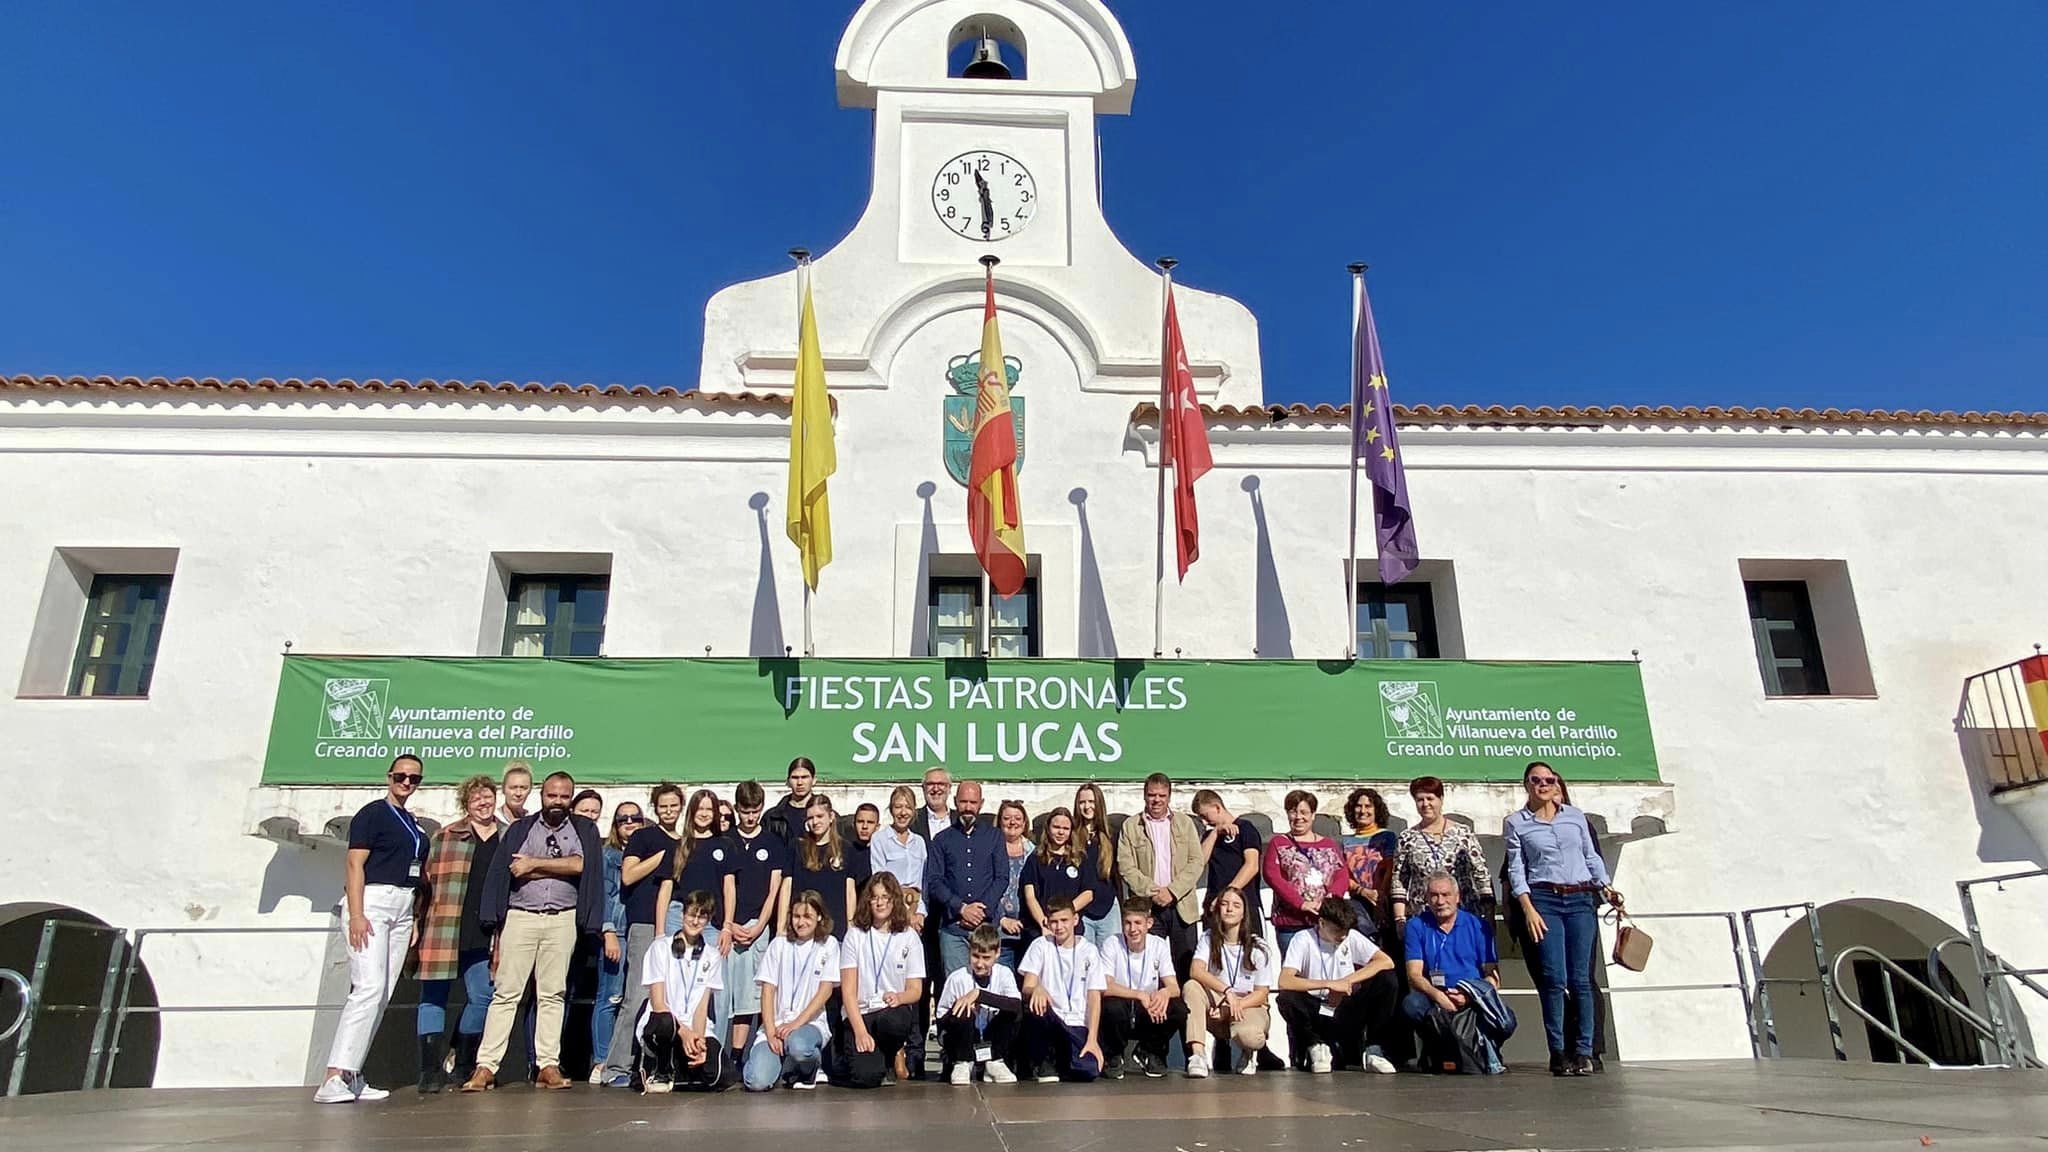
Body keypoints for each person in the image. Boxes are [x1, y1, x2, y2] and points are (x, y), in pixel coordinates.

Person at [465, 770, 605, 1092]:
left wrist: (533, 865)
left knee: (552, 994)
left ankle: (548, 1064)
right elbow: (507, 870)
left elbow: (581, 865)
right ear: (541, 796)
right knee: (506, 994)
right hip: (521, 917)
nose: (557, 802)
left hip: (562, 918)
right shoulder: (520, 830)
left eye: (564, 796)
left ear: (571, 798)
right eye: (551, 795)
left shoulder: (583, 829)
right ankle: (486, 1066)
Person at [315, 754, 429, 1103]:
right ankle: (332, 1077)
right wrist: (357, 913)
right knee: (368, 987)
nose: (406, 783)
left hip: (403, 905)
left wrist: (415, 919)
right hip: (373, 902)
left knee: (382, 995)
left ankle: (352, 1072)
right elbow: (354, 863)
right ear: (389, 777)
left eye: (414, 779)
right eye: (401, 776)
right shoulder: (372, 814)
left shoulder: (413, 823)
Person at [1503, 761, 1623, 1077]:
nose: (1543, 784)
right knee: (1553, 979)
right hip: (1544, 898)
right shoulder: (1517, 823)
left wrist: (1606, 886)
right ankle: (1557, 1051)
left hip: (1581, 896)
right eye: (1536, 780)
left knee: (1581, 979)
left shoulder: (1575, 817)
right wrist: (1527, 908)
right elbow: (1517, 869)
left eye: (1548, 779)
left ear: (1557, 783)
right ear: (1527, 784)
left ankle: (1584, 1052)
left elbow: (1590, 855)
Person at [413, 773, 501, 1094]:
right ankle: (429, 1069)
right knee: (434, 997)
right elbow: (424, 884)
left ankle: (463, 1062)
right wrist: (415, 922)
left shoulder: (506, 837)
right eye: (476, 797)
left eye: (488, 796)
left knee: (483, 996)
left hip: (485, 930)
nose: (483, 802)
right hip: (444, 926)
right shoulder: (446, 836)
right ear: (466, 803)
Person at [601, 783, 684, 1086]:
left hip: (676, 924)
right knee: (636, 995)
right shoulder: (644, 836)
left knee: (669, 999)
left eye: (674, 805)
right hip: (645, 924)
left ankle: (659, 1066)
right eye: (663, 806)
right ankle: (616, 1068)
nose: (669, 811)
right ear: (655, 808)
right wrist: (662, 857)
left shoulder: (687, 840)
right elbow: (628, 874)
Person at [1402, 871, 1512, 1075]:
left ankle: (1482, 1052)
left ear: (1457, 897)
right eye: (1434, 895)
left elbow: (1492, 976)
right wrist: (1439, 997)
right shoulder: (1416, 926)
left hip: (1471, 996)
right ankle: (1438, 1052)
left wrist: (1468, 996)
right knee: (1412, 1005)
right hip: (1435, 997)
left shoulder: (1479, 926)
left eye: (1445, 895)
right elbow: (1414, 975)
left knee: (1507, 1021)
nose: (1440, 901)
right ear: (1427, 898)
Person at [1276, 899, 1399, 1074]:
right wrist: (1329, 985)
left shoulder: (1351, 937)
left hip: (1345, 1007)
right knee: (1287, 997)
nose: (1342, 936)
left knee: (1387, 980)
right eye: (1337, 931)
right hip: (1317, 1007)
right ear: (1322, 923)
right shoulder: (1303, 939)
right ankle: (1316, 1045)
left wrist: (1348, 981)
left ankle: (1374, 1048)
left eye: (1345, 932)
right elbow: (1285, 980)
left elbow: (1385, 962)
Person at [635, 889, 736, 1093]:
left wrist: (697, 1040)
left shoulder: (712, 956)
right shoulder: (660, 948)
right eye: (692, 914)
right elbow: (658, 1002)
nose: (695, 921)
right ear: (683, 915)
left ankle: (682, 1070)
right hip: (667, 1023)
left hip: (693, 1028)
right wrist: (685, 1033)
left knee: (724, 1074)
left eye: (702, 916)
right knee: (665, 1022)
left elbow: (701, 1007)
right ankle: (660, 1069)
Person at [719, 780, 791, 1060]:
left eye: (755, 811)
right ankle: (719, 1051)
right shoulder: (726, 840)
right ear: (736, 808)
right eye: (745, 811)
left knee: (751, 993)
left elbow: (775, 888)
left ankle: (738, 1053)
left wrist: (761, 924)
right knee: (725, 992)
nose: (750, 817)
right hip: (729, 926)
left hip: (757, 927)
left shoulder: (772, 842)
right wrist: (729, 924)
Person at [743, 889, 841, 1092]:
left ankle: (809, 1070)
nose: (801, 922)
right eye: (797, 916)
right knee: (756, 1082)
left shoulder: (828, 945)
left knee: (799, 1047)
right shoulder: (779, 945)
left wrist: (796, 1023)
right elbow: (768, 991)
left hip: (809, 1023)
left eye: (807, 917)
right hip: (777, 1025)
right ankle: (781, 1066)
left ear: (819, 917)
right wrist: (770, 1032)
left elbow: (825, 991)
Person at [838, 873, 926, 1089]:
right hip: (861, 1014)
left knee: (894, 1022)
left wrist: (899, 997)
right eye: (875, 897)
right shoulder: (855, 935)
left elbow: (915, 990)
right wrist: (860, 1032)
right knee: (866, 1077)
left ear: (894, 900)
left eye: (885, 897)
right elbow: (848, 992)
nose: (879, 903)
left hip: (890, 1010)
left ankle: (893, 1051)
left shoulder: (908, 936)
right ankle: (868, 1057)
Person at [1115, 773, 1204, 980]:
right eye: (1151, 795)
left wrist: (1172, 891)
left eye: (1161, 795)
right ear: (1144, 796)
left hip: (1181, 905)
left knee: (1185, 965)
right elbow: (1126, 866)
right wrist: (1154, 891)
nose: (1156, 800)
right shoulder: (1131, 826)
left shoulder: (1184, 823)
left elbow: (1196, 861)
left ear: (1169, 797)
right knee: (1147, 967)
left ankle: (1186, 1010)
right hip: (1148, 906)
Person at [1183, 887, 1275, 1078]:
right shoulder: (1208, 938)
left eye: (1236, 905)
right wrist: (1227, 992)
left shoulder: (1258, 946)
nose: (1229, 909)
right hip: (1220, 1000)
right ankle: (1198, 1055)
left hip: (1248, 1004)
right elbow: (1196, 970)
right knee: (1191, 987)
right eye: (1224, 904)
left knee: (1251, 1036)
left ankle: (1248, 1053)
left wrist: (1235, 1004)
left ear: (1243, 913)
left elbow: (1262, 993)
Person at [871, 785, 931, 1077]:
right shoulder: (880, 839)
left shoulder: (920, 843)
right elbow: (880, 880)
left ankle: (912, 1050)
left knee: (913, 986)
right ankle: (891, 1048)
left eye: (908, 806)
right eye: (897, 806)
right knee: (888, 983)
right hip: (890, 915)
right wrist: (904, 907)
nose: (903, 812)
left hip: (914, 918)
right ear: (890, 810)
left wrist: (919, 913)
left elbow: (923, 883)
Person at [1017, 896, 1106, 1083]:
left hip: (1077, 1022)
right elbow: (1027, 986)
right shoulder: (1041, 945)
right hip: (1052, 1017)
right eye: (1054, 922)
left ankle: (1065, 1061)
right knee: (1035, 1004)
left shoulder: (1089, 951)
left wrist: (1092, 1039)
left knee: (1088, 1071)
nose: (1059, 926)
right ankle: (1046, 1060)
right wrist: (1037, 989)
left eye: (1064, 920)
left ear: (1075, 920)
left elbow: (1094, 997)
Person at [1390, 776, 1493, 934]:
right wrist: (1400, 919)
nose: (1425, 804)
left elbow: (1481, 873)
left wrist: (1489, 914)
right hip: (1423, 916)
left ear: (1441, 799)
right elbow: (1399, 880)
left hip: (1463, 913)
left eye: (1430, 798)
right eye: (1420, 800)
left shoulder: (1463, 833)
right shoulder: (1407, 838)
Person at [927, 780, 1003, 985]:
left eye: (973, 802)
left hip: (986, 928)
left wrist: (979, 911)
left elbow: (1001, 878)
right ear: (955, 802)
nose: (968, 807)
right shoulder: (941, 840)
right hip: (953, 929)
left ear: (981, 804)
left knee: (988, 989)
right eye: (963, 802)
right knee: (956, 987)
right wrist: (961, 908)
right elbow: (934, 881)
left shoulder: (995, 836)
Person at [1096, 901, 1183, 1079]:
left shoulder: (1158, 945)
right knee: (1110, 1006)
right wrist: (1138, 994)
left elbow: (1174, 987)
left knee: (1178, 1009)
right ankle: (1113, 1055)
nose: (1132, 929)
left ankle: (1149, 1050)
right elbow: (1105, 986)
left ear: (1148, 924)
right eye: (1128, 923)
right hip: (1123, 1005)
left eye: (1138, 923)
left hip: (1148, 1008)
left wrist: (1163, 993)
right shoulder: (1112, 943)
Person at [590, 802, 643, 1083]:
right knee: (609, 998)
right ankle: (601, 1061)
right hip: (617, 932)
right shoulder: (608, 855)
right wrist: (608, 932)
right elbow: (603, 896)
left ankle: (626, 1059)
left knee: (633, 999)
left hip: (640, 931)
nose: (630, 823)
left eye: (635, 818)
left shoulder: (646, 852)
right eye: (624, 819)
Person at [1262, 790, 1348, 952]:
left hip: (1323, 920)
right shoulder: (1278, 843)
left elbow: (1341, 875)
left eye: (1304, 812)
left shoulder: (1329, 845)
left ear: (1313, 815)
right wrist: (1300, 903)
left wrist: (1329, 900)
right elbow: (1272, 876)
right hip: (1291, 922)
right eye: (1293, 812)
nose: (1298, 817)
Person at [935, 924, 1021, 1085]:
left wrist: (979, 995)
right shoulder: (957, 978)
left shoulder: (1004, 974)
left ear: (997, 953)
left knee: (1011, 1011)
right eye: (975, 956)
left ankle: (995, 1061)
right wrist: (958, 1008)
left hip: (992, 1039)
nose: (980, 964)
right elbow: (941, 1019)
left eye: (986, 958)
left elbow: (1016, 1005)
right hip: (964, 1040)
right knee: (963, 1008)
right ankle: (963, 1062)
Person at [785, 793, 859, 938]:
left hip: (835, 930)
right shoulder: (797, 847)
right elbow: (787, 887)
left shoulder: (845, 848)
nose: (815, 822)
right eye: (810, 818)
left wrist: (851, 924)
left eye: (820, 816)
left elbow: (849, 891)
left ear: (831, 817)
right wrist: (782, 925)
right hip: (804, 928)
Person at [1021, 807, 1096, 945]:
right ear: (1048, 828)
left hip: (1072, 931)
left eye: (1065, 828)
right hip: (1042, 930)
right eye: (1056, 827)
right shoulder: (1035, 858)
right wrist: (1044, 922)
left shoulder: (1080, 858)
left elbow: (1088, 893)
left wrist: (1063, 914)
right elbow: (1030, 896)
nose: (1061, 832)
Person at [1340, 788, 1398, 944]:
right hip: (1358, 904)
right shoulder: (1345, 842)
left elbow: (1390, 868)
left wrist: (1380, 896)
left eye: (1368, 806)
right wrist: (1363, 891)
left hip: (1385, 902)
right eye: (1358, 806)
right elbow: (1342, 875)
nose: (1363, 810)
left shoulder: (1387, 837)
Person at [1193, 789, 1262, 911]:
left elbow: (1252, 866)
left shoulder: (1245, 828)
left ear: (1217, 808)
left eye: (1205, 815)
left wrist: (1227, 895)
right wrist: (1215, 833)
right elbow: (1200, 862)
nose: (1204, 821)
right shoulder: (1209, 836)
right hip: (1214, 903)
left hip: (1243, 904)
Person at [1071, 783, 1119, 949]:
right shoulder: (1072, 836)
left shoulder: (1111, 835)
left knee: (1110, 960)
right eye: (1082, 802)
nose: (1087, 806)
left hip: (1108, 907)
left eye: (1091, 802)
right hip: (1083, 910)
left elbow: (1117, 875)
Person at [995, 800, 1033, 964]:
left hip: (1027, 929)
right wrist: (1002, 919)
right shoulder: (990, 850)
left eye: (1017, 818)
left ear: (1025, 823)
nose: (1012, 822)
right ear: (999, 822)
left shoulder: (1034, 852)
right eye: (1007, 818)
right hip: (1000, 931)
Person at [766, 756, 818, 845]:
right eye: (795, 777)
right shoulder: (772, 817)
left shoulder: (826, 817)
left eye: (804, 777)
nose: (800, 783)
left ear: (814, 780)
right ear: (788, 782)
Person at [915, 766, 954, 843]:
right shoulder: (913, 820)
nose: (936, 789)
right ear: (923, 788)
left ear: (949, 788)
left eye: (941, 784)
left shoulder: (959, 819)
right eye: (930, 784)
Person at [848, 802, 881, 886]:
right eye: (860, 821)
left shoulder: (881, 854)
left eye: (870, 822)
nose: (864, 826)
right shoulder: (846, 852)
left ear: (877, 827)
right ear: (853, 825)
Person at [497, 761, 533, 826]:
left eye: (523, 788)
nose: (518, 793)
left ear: (530, 789)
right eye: (513, 788)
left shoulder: (533, 821)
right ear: (503, 789)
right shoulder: (494, 818)